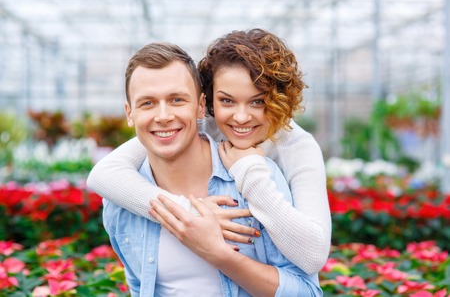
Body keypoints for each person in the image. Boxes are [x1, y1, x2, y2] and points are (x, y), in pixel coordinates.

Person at [87, 28, 331, 275]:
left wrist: (249, 172)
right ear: (208, 102)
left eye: (258, 101)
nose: (241, 117)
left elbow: (313, 256)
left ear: (280, 99)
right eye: (227, 100)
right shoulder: (205, 123)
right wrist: (191, 213)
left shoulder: (296, 145)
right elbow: (104, 175)